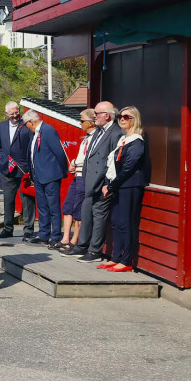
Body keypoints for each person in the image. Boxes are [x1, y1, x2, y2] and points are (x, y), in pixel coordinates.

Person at [62, 101, 123, 262]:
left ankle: (95, 251)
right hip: (89, 181)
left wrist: (107, 183)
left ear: (107, 116)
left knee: (99, 216)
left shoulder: (115, 133)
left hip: (102, 183)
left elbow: (113, 162)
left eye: (97, 113)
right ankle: (82, 246)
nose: (94, 116)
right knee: (86, 213)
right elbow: (89, 157)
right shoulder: (98, 132)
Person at [99, 106, 147, 272]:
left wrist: (112, 185)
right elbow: (113, 165)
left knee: (126, 223)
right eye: (120, 116)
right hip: (118, 186)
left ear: (135, 120)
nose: (122, 119)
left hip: (129, 186)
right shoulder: (122, 140)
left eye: (126, 117)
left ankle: (126, 260)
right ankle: (116, 257)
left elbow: (128, 167)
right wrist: (108, 183)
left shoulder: (137, 142)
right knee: (116, 222)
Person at [52, 109, 96, 251]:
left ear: (91, 122)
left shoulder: (96, 138)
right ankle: (65, 238)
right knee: (68, 206)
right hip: (77, 176)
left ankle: (74, 240)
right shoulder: (86, 138)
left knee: (79, 209)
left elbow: (90, 158)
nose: (80, 123)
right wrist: (74, 164)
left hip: (84, 177)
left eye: (82, 121)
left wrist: (76, 163)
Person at [24, 110, 68, 246]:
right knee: (42, 206)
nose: (26, 127)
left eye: (26, 124)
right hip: (37, 176)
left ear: (31, 122)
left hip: (51, 176)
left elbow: (59, 153)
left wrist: (63, 171)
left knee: (53, 207)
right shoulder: (34, 134)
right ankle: (43, 234)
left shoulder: (48, 130)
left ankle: (55, 235)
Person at [0, 102, 35, 241]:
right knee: (8, 200)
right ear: (7, 114)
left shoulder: (26, 125)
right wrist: (3, 159)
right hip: (7, 169)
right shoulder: (2, 126)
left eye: (16, 112)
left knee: (27, 201)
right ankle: (7, 228)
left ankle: (28, 230)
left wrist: (29, 166)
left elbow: (31, 146)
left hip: (24, 170)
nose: (15, 116)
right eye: (11, 113)